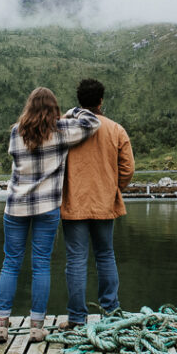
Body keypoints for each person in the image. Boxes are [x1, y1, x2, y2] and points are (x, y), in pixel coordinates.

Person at [0, 87, 100, 344]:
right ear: (53, 109)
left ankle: (0, 327)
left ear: (29, 107)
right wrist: (73, 111)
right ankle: (37, 328)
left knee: (10, 263)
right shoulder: (61, 131)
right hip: (46, 207)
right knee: (41, 264)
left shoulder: (16, 132)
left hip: (16, 207)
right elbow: (92, 122)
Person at [59, 78, 134, 329]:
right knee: (105, 255)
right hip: (104, 202)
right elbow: (128, 168)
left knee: (76, 260)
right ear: (101, 100)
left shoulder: (66, 127)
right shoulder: (116, 129)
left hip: (73, 203)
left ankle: (77, 318)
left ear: (80, 101)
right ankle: (111, 312)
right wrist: (113, 189)